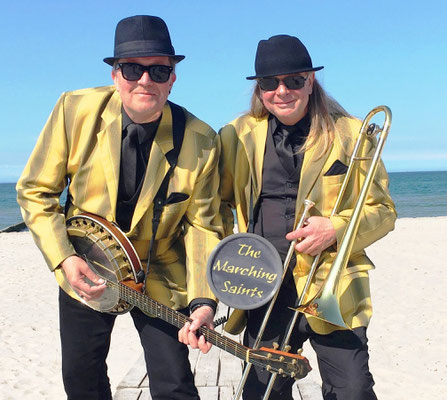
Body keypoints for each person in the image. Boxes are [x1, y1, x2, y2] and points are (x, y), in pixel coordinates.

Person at [17, 15, 223, 400]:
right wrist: (63, 258)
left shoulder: (203, 140)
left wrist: (203, 302)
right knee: (81, 377)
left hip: (160, 268)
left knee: (175, 382)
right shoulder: (73, 110)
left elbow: (203, 227)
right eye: (132, 69)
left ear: (173, 77)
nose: (145, 80)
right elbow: (35, 191)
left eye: (159, 71)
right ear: (115, 74)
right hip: (86, 263)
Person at [219, 34, 396, 399]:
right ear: (259, 88)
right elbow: (215, 206)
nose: (282, 91)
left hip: (330, 283)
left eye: (294, 80)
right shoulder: (235, 136)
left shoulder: (352, 133)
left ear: (311, 81)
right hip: (262, 284)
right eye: (270, 82)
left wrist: (336, 228)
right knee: (262, 392)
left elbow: (383, 211)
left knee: (353, 390)